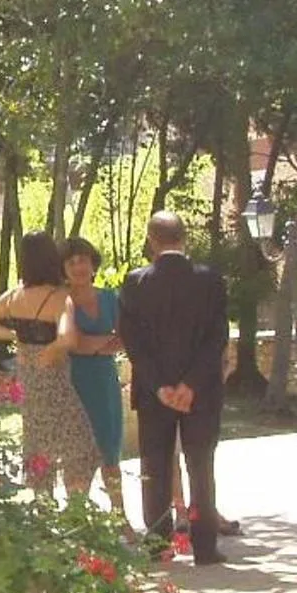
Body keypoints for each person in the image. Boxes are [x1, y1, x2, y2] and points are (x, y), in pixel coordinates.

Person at [118, 212, 232, 566]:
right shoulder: (210, 280)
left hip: (154, 395)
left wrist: (160, 387)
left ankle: (158, 545)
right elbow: (217, 338)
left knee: (155, 467)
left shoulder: (135, 283)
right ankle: (205, 546)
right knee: (200, 466)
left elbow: (133, 342)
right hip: (202, 393)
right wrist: (191, 384)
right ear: (185, 238)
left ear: (152, 241)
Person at [0, 232, 100, 499]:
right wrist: (52, 348)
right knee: (80, 447)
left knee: (38, 447)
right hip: (55, 383)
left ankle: (43, 507)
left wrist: (13, 335)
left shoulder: (14, 296)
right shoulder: (60, 297)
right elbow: (68, 337)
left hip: (28, 381)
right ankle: (76, 508)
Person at [55, 236, 130, 511]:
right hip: (73, 382)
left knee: (110, 452)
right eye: (71, 262)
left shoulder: (110, 298)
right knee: (77, 454)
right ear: (63, 269)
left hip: (105, 382)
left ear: (93, 264)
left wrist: (91, 344)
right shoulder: (61, 301)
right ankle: (78, 515)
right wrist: (104, 342)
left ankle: (119, 516)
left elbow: (126, 338)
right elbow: (74, 343)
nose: (79, 267)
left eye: (83, 260)